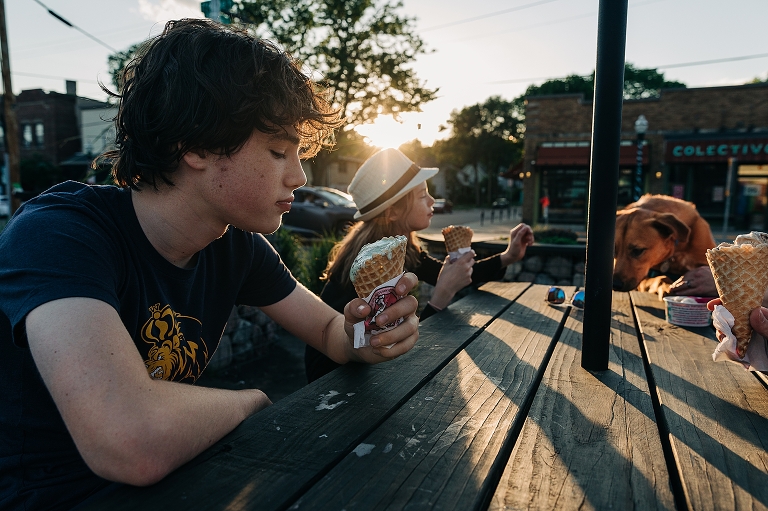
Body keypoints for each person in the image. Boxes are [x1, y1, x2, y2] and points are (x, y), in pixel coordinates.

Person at [0, 19, 419, 510]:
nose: (299, 175)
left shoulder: (234, 245)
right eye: (278, 150)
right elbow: (129, 440)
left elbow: (331, 332)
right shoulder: (59, 234)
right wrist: (251, 402)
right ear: (195, 145)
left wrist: (369, 335)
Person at [304, 148, 534, 382]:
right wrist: (441, 297)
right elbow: (391, 343)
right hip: (333, 378)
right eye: (423, 195)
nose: (432, 201)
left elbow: (450, 275)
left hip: (364, 371)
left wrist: (507, 256)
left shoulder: (404, 250)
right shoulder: (371, 265)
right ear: (393, 211)